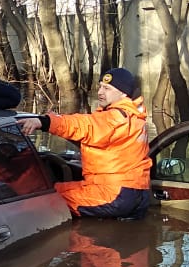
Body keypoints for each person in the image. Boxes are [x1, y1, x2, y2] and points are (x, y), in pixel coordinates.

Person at [19, 67, 152, 220]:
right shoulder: (135, 118)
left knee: (43, 199)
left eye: (107, 88)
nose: (100, 92)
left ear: (123, 93)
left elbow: (83, 125)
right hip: (138, 193)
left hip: (113, 193)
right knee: (56, 189)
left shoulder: (115, 118)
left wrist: (44, 122)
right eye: (100, 86)